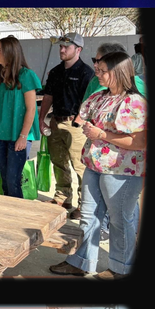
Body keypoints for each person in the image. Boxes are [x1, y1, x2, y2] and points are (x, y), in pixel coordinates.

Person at [48, 51, 146, 280]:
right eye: (97, 70)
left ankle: (121, 268)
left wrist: (102, 134)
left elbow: (141, 141)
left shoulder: (134, 102)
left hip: (121, 170)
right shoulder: (100, 96)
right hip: (95, 164)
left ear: (119, 72)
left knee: (120, 218)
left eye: (103, 71)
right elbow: (83, 118)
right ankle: (83, 262)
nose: (98, 74)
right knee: (89, 216)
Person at [37, 32, 94, 217]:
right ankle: (63, 197)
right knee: (58, 162)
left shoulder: (87, 73)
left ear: (78, 49)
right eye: (60, 46)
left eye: (66, 47)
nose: (61, 50)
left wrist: (79, 121)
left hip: (75, 125)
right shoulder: (55, 72)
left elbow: (89, 101)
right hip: (55, 122)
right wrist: (41, 119)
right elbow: (48, 97)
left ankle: (84, 204)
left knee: (79, 165)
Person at [0, 36, 40, 198]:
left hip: (19, 135)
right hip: (0, 134)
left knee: (13, 180)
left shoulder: (26, 75)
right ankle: (8, 214)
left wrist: (23, 136)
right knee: (4, 179)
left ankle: (20, 216)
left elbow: (31, 109)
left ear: (10, 52)